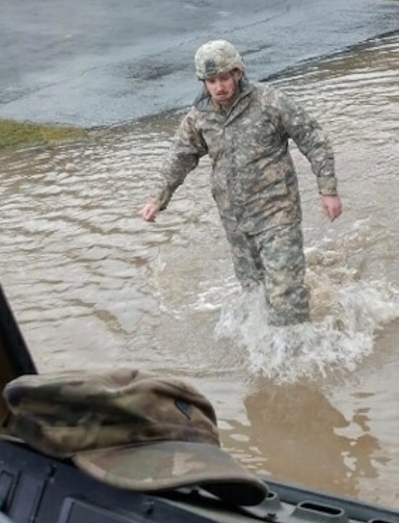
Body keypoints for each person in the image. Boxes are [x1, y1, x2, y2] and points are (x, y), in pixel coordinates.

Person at [140, 40, 342, 326]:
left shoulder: (269, 102)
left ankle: (299, 356)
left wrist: (328, 189)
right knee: (255, 292)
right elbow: (179, 157)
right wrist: (158, 198)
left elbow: (314, 138)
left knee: (285, 298)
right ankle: (268, 352)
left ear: (237, 73)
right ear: (204, 82)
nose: (219, 87)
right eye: (211, 81)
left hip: (277, 213)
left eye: (224, 78)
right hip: (235, 221)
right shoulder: (199, 116)